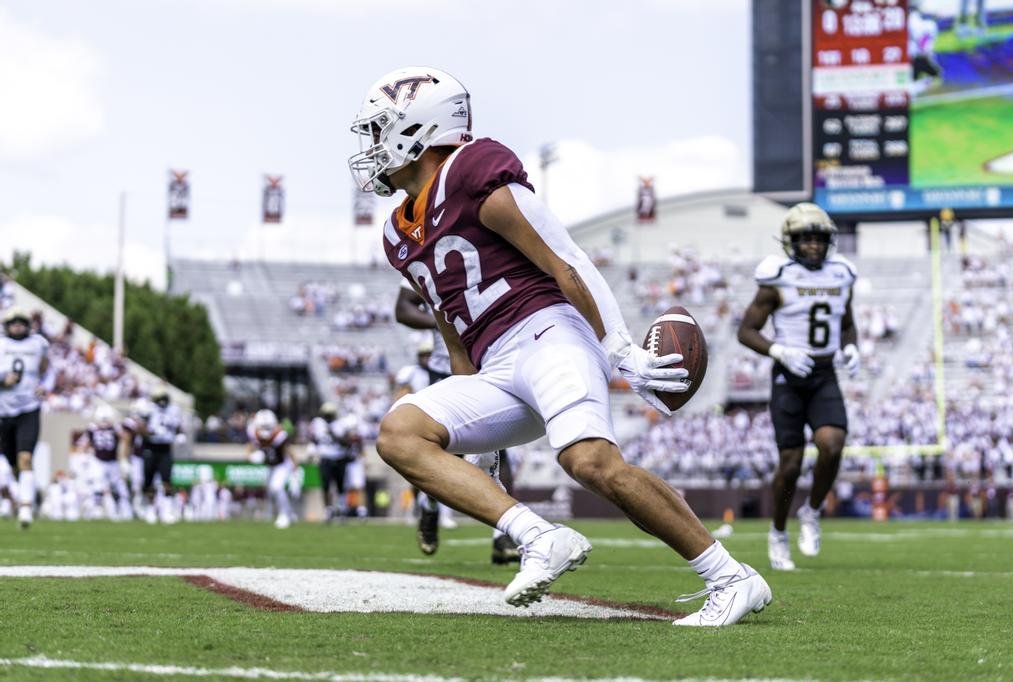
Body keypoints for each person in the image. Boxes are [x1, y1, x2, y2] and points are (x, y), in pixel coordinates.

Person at [350, 66, 770, 626]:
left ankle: (731, 578)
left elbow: (564, 258)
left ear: (417, 129)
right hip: (496, 365)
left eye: (382, 130)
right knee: (400, 434)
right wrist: (474, 420)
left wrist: (621, 350)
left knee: (590, 462)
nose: (373, 146)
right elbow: (452, 324)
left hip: (549, 333)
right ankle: (539, 538)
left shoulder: (471, 170)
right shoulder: (396, 233)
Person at [736, 202, 860, 571]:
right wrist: (779, 351)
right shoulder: (777, 278)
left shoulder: (842, 275)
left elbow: (847, 321)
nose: (812, 246)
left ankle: (813, 510)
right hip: (789, 376)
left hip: (823, 373)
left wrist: (851, 345)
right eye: (805, 239)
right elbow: (745, 331)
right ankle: (777, 532)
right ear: (791, 242)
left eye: (818, 239)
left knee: (832, 444)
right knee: (789, 464)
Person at [395, 289, 520, 564]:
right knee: (443, 453)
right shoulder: (427, 252)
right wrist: (445, 321)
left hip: (492, 365)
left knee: (500, 449)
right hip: (445, 371)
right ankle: (429, 507)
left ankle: (502, 535)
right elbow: (403, 309)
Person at [0, 307, 53, 529]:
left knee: (26, 459)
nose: (18, 326)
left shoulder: (38, 343)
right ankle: (8, 499)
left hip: (29, 408)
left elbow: (49, 369)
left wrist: (45, 387)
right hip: (3, 410)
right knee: (7, 466)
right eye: (14, 323)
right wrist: (2, 381)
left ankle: (25, 508)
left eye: (22, 322)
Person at [247, 409, 298, 529]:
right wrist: (251, 457)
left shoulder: (279, 435)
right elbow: (249, 448)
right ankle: (289, 514)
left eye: (268, 427)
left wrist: (295, 463)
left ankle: (284, 515)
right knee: (272, 491)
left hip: (282, 465)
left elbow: (288, 450)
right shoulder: (253, 432)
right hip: (270, 466)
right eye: (262, 427)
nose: (265, 430)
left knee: (277, 487)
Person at [141, 386, 183, 524]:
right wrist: (150, 432)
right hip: (150, 447)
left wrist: (180, 434)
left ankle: (167, 510)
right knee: (149, 480)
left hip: (165, 448)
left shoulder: (174, 410)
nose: (162, 401)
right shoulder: (148, 409)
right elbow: (140, 428)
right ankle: (151, 510)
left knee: (167, 479)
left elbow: (178, 427)